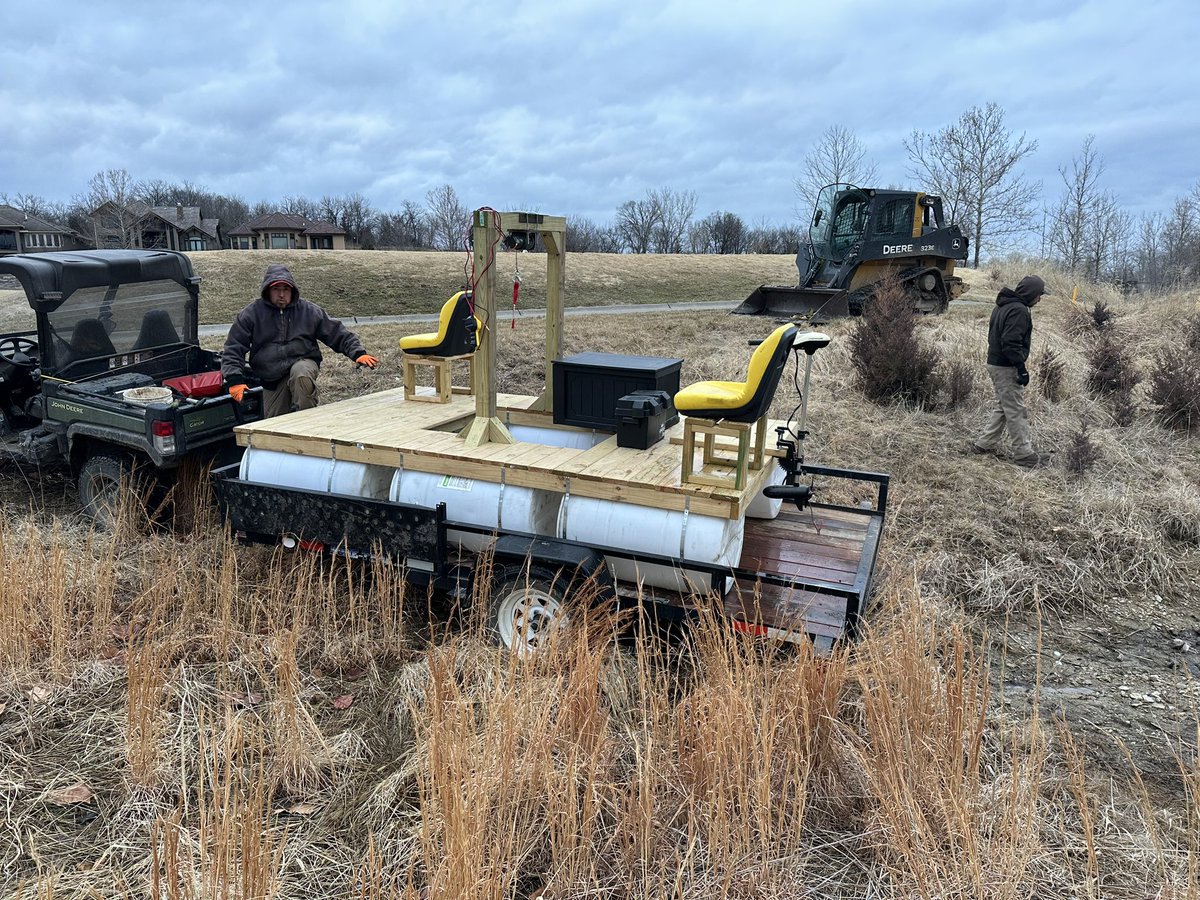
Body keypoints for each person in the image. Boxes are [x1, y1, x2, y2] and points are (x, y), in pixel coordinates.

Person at [221, 264, 379, 417]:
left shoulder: (309, 311)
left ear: (292, 290)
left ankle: (307, 423)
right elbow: (233, 347)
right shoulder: (251, 314)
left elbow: (336, 332)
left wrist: (358, 353)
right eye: (276, 289)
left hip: (303, 361)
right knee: (275, 424)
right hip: (271, 377)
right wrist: (234, 379)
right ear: (267, 290)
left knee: (300, 375)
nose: (281, 294)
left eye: (285, 289)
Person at [971, 274, 1050, 467]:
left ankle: (984, 444)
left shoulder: (1003, 305)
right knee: (1016, 409)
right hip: (1006, 366)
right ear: (1031, 293)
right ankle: (1024, 454)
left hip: (995, 363)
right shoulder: (1019, 310)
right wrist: (1021, 368)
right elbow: (1010, 342)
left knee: (1004, 406)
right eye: (1039, 295)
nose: (1040, 299)